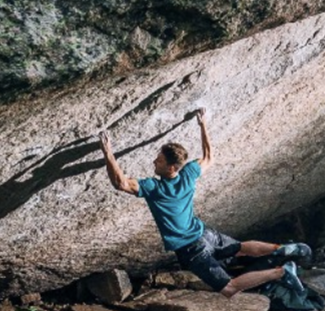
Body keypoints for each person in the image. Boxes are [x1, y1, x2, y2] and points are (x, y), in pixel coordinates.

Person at [98, 109, 309, 299]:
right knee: (240, 248)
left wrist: (108, 153)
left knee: (229, 288)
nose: (154, 162)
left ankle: (281, 272)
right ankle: (283, 249)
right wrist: (203, 124)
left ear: (171, 168)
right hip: (205, 234)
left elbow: (121, 183)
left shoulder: (155, 188)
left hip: (191, 249)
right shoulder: (188, 173)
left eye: (159, 160)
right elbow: (209, 157)